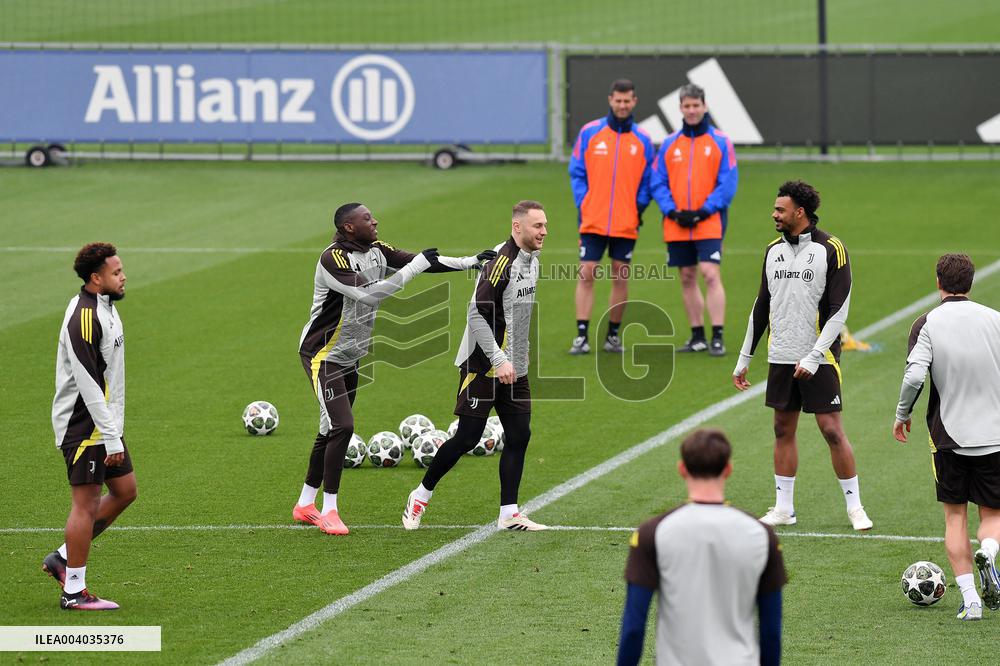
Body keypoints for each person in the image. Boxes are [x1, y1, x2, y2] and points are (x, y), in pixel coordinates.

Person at [295, 203, 495, 535]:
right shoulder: (333, 259)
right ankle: (329, 510)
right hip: (323, 355)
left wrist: (468, 263)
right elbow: (369, 295)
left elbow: (421, 259)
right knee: (342, 426)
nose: (374, 221)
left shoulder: (375, 250)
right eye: (366, 219)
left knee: (329, 428)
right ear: (348, 227)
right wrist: (415, 268)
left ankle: (305, 504)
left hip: (351, 354)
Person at [732, 180, 873, 531]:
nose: (774, 214)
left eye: (780, 209)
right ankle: (783, 508)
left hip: (819, 357)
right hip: (780, 354)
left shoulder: (831, 248)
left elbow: (840, 311)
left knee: (831, 430)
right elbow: (761, 305)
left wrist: (814, 355)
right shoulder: (772, 251)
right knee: (782, 428)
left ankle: (855, 507)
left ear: (800, 212)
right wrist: (744, 356)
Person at [402, 200, 548, 531]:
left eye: (545, 225)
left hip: (514, 365)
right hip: (483, 365)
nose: (544, 231)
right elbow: (475, 313)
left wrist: (518, 359)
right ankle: (420, 494)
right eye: (537, 225)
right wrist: (499, 358)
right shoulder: (502, 263)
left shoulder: (532, 260)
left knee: (519, 434)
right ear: (517, 227)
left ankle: (509, 513)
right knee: (468, 437)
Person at [617, 429, 785, 666]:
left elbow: (634, 628)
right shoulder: (761, 535)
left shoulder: (652, 532)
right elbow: (771, 631)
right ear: (728, 469)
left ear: (682, 469)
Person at [893, 253, 1000, 621]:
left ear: (938, 281)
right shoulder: (995, 320)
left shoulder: (927, 323)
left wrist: (902, 414)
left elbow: (913, 378)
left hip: (948, 438)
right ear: (970, 283)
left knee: (955, 517)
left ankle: (971, 602)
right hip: (995, 436)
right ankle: (989, 549)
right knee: (993, 513)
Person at [45, 243, 136, 610]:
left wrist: (113, 429)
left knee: (125, 491)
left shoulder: (105, 307)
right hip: (84, 426)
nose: (123, 275)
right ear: (96, 278)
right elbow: (87, 383)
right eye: (116, 272)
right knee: (84, 505)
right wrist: (111, 436)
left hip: (104, 423)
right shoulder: (85, 317)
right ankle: (74, 591)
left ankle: (63, 557)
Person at [568, 79, 655, 355]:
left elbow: (648, 180)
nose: (622, 105)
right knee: (587, 272)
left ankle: (613, 336)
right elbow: (577, 172)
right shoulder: (590, 132)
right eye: (618, 100)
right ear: (610, 100)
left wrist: (636, 206)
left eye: (627, 100)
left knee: (621, 276)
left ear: (634, 102)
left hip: (626, 222)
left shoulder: (642, 139)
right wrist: (585, 202)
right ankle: (581, 335)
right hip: (593, 219)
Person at [650, 83, 738, 356]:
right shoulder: (669, 144)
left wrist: (703, 210)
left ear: (704, 106)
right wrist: (672, 210)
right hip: (677, 223)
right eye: (686, 106)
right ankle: (697, 335)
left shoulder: (721, 141)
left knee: (710, 274)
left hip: (708, 221)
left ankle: (718, 335)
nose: (691, 111)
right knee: (687, 276)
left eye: (695, 105)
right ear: (680, 108)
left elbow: (728, 182)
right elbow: (658, 181)